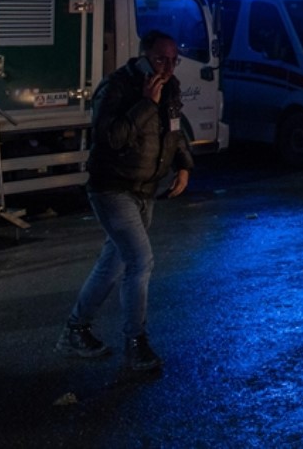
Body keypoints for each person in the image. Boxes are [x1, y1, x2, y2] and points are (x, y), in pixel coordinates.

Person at [56, 30, 194, 373]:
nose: (169, 66)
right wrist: (146, 103)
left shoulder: (171, 87)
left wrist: (183, 165)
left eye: (174, 59)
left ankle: (76, 330)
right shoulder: (117, 86)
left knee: (113, 263)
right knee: (140, 261)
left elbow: (174, 131)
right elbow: (111, 139)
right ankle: (136, 343)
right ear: (144, 56)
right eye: (162, 59)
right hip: (112, 187)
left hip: (145, 189)